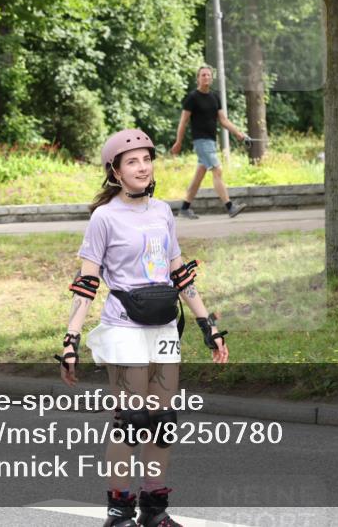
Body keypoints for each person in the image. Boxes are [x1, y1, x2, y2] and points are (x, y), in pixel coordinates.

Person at [57, 128, 229, 527]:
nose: (142, 166)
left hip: (164, 327)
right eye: (131, 161)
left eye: (146, 159)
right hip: (123, 328)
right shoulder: (104, 217)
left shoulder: (162, 211)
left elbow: (179, 272)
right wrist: (71, 340)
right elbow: (87, 283)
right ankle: (119, 513)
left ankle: (154, 510)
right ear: (114, 171)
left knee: (163, 422)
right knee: (131, 421)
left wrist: (208, 326)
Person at [170, 65, 248, 219]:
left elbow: (223, 120)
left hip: (211, 141)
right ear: (198, 78)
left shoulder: (215, 97)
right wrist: (178, 141)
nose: (206, 77)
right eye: (203, 75)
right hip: (201, 141)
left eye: (208, 75)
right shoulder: (192, 97)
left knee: (199, 175)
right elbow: (183, 122)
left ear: (212, 78)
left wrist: (238, 133)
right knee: (217, 170)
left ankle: (184, 208)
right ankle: (230, 207)